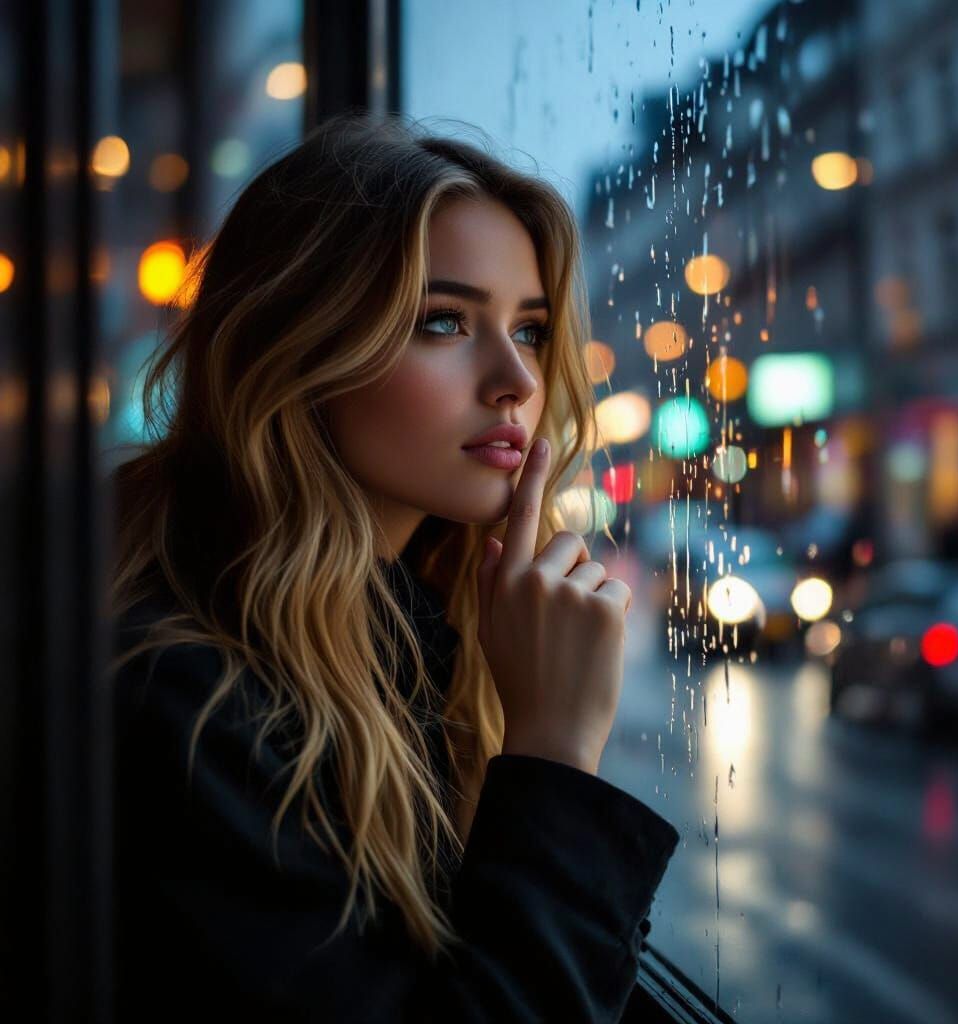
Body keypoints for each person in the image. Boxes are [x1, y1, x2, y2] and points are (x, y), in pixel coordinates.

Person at [106, 111, 679, 1023]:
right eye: (444, 321)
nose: (518, 383)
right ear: (302, 347)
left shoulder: (411, 641)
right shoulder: (187, 698)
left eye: (529, 331)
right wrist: (556, 753)